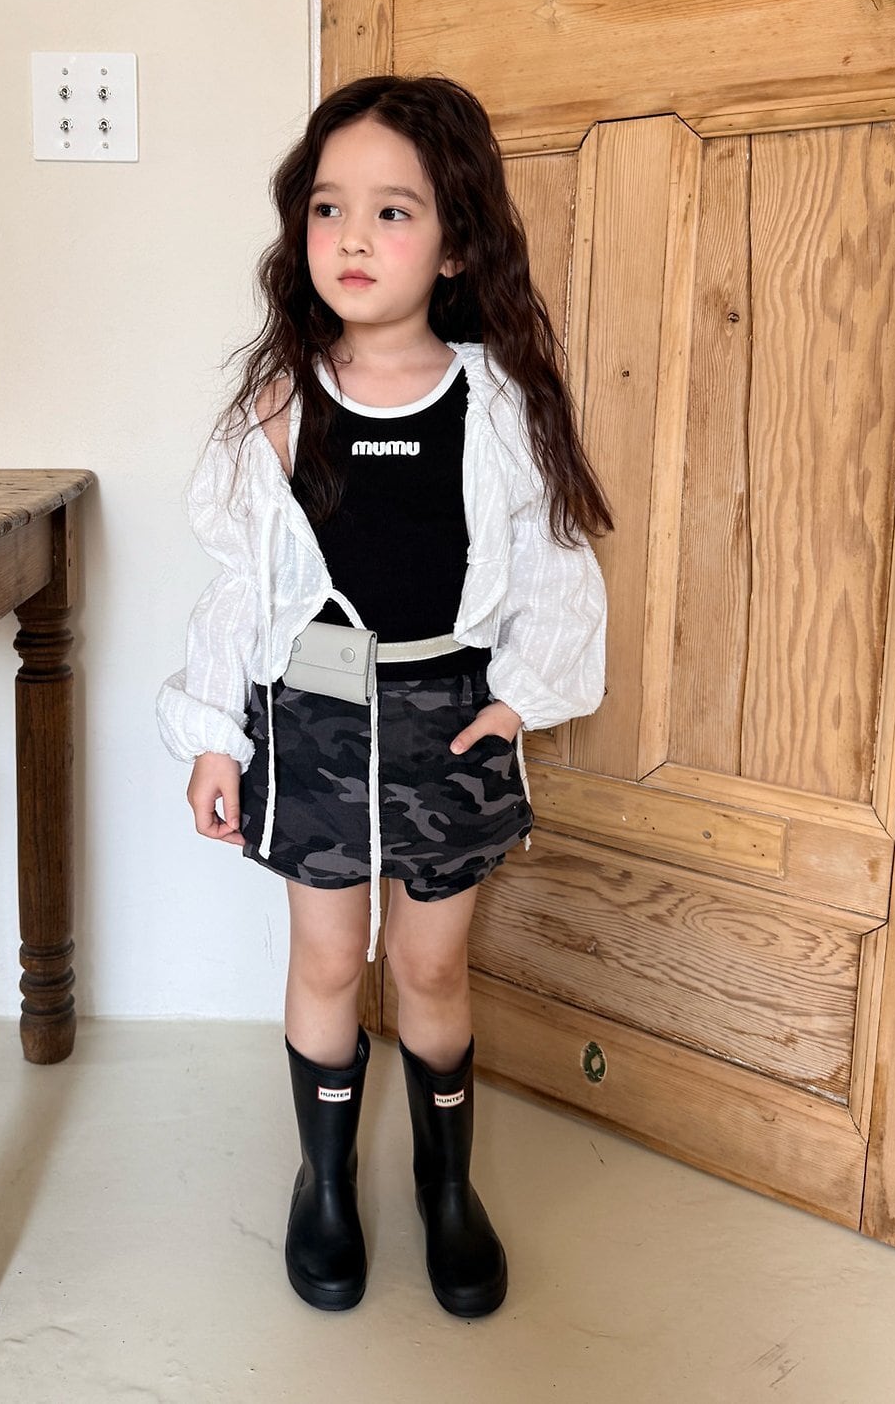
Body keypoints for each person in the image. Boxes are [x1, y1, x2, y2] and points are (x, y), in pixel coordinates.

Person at [157, 73, 611, 1319]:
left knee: (429, 963)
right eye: (327, 207)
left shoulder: (496, 401)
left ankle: (444, 1185)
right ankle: (323, 1183)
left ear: (455, 243)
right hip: (307, 724)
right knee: (323, 955)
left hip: (442, 725)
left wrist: (515, 701)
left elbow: (555, 562)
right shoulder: (278, 405)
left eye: (392, 211)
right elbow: (238, 590)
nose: (351, 236)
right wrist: (212, 735)